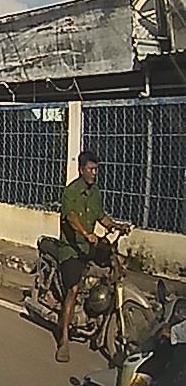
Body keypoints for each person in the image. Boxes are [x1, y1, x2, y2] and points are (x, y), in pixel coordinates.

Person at [55, 151, 132, 363]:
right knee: (73, 289)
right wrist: (85, 233)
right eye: (90, 169)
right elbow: (71, 217)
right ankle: (64, 340)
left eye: (96, 169)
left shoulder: (95, 192)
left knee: (116, 264)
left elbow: (101, 216)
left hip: (90, 246)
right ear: (81, 170)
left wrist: (117, 225)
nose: (94, 173)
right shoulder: (71, 191)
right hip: (71, 248)